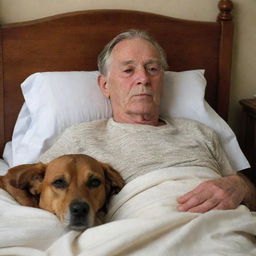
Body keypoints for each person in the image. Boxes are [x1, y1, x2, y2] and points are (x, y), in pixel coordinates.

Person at [40, 30, 256, 212]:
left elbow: (248, 198)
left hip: (225, 228)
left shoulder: (200, 132)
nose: (143, 78)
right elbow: (28, 185)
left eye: (152, 69)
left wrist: (243, 186)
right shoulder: (81, 137)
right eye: (128, 70)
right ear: (105, 85)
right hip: (144, 229)